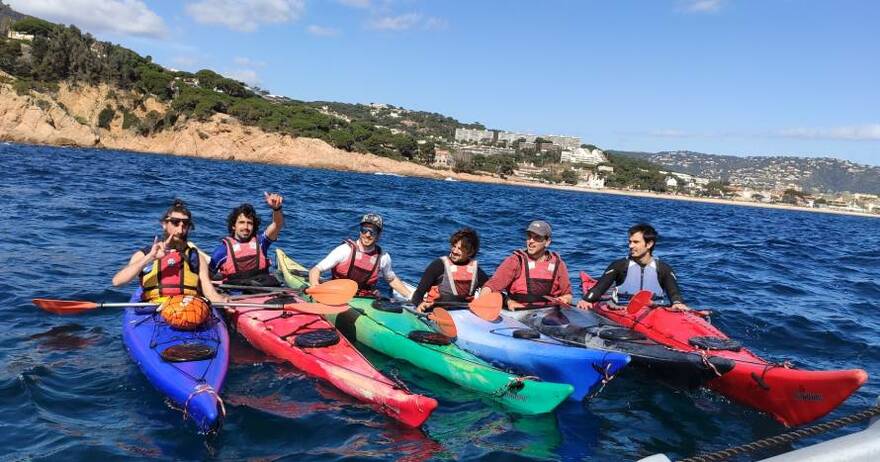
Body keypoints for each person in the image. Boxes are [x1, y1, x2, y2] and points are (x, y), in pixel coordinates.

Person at [112, 199, 227, 304]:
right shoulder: (145, 253)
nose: (180, 230)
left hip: (188, 309)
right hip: (154, 309)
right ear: (164, 224)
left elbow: (209, 291)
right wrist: (150, 257)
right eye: (175, 223)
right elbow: (117, 282)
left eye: (185, 224)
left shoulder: (195, 257)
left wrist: (223, 301)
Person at [577, 223, 689, 311]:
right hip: (621, 310)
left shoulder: (664, 268)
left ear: (649, 244)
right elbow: (599, 288)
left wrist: (677, 303)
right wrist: (587, 300)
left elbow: (674, 293)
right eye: (630, 242)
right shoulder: (619, 265)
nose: (631, 246)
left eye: (636, 242)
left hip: (654, 312)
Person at [308, 213, 412, 298]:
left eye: (372, 232)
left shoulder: (383, 257)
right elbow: (316, 270)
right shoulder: (345, 250)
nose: (367, 235)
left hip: (365, 298)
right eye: (364, 230)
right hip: (337, 294)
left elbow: (392, 279)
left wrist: (411, 296)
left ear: (379, 235)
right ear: (360, 231)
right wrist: (314, 286)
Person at [480, 220, 573, 309]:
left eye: (537, 237)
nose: (531, 241)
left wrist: (565, 299)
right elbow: (490, 287)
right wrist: (506, 301)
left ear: (547, 242)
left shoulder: (558, 264)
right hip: (518, 314)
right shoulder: (515, 261)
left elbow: (568, 295)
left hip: (548, 315)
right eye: (529, 236)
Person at [209, 192, 284, 285]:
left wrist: (276, 208)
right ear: (233, 226)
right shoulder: (222, 251)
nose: (246, 227)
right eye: (241, 222)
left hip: (264, 291)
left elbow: (277, 225)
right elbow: (208, 276)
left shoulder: (261, 243)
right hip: (236, 295)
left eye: (250, 223)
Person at [411, 228, 490, 312]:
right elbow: (418, 294)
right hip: (435, 312)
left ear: (470, 252)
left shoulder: (476, 271)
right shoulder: (438, 265)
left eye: (460, 249)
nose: (454, 251)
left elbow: (490, 288)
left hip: (463, 314)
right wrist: (420, 304)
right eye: (454, 246)